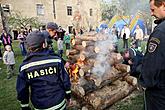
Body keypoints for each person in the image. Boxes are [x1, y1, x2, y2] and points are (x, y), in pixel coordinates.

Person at [16, 31, 71, 110]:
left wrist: (24, 106)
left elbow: (22, 90)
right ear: (44, 44)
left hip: (40, 106)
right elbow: (65, 81)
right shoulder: (57, 60)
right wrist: (68, 95)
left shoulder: (24, 67)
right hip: (59, 104)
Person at [139, 0, 165, 110]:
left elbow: (152, 63)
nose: (151, 13)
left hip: (159, 93)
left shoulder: (160, 32)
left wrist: (144, 82)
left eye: (153, 9)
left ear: (163, 5)